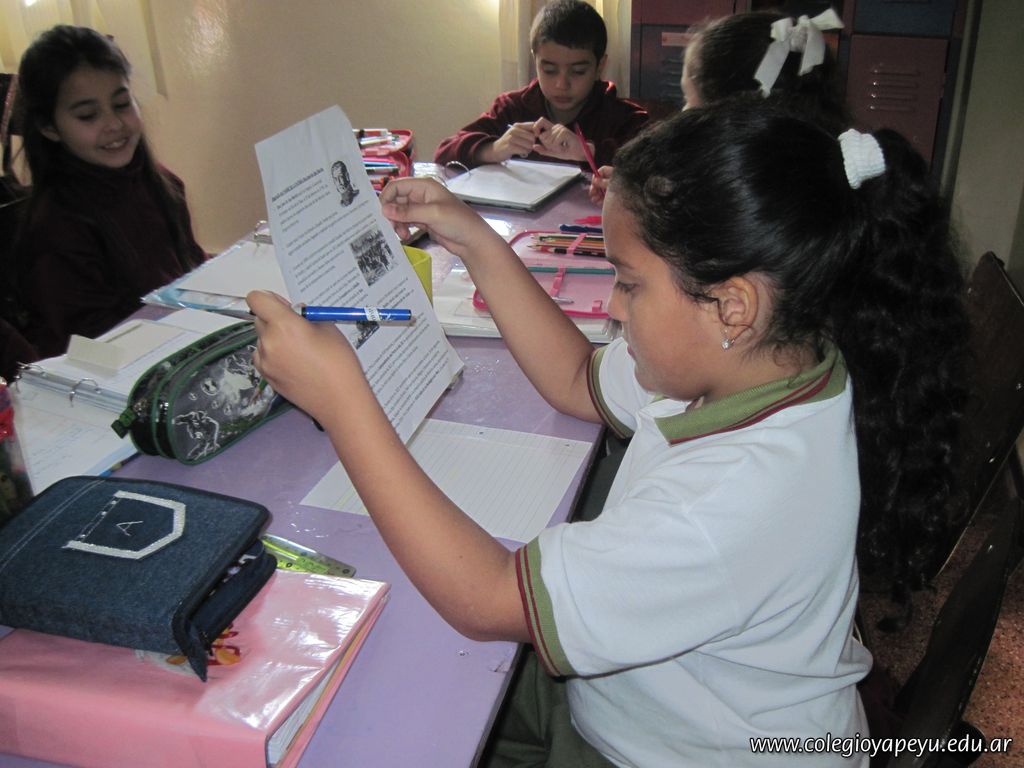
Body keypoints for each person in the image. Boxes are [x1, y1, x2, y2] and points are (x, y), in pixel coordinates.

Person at [248, 100, 968, 766]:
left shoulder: (732, 501)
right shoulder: (764, 358)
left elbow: (487, 598)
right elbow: (575, 380)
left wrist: (345, 404)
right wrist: (474, 239)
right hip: (651, 699)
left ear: (733, 306)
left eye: (628, 282)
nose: (615, 309)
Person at [14, 25, 207, 358]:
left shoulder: (163, 184)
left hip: (174, 341)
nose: (114, 124)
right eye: (88, 115)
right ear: (49, 127)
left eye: (121, 104)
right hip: (111, 367)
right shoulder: (56, 227)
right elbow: (89, 347)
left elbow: (188, 272)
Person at [590, 9, 849, 203]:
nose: (682, 113)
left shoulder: (753, 203)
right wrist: (641, 196)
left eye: (688, 99)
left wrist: (640, 207)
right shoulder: (793, 171)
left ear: (731, 119)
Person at [434, 0, 647, 171]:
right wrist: (494, 149)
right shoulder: (512, 108)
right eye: (549, 70)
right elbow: (444, 152)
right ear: (535, 61)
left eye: (578, 71)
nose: (561, 84)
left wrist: (589, 152)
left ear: (600, 66)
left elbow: (654, 172)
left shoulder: (624, 118)